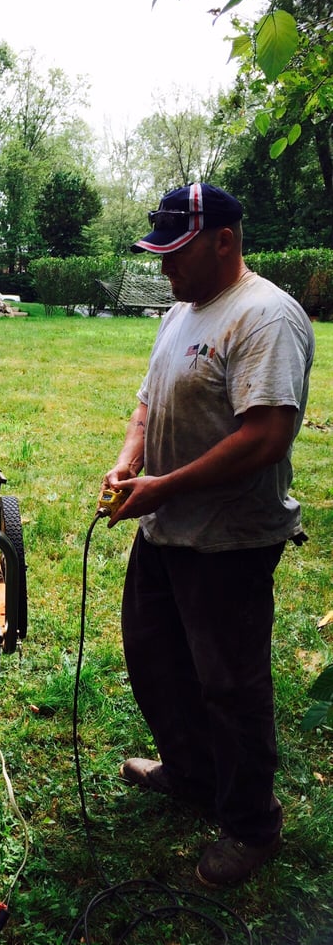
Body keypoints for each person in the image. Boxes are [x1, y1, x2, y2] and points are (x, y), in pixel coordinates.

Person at [103, 182, 315, 887]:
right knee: (155, 660)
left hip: (229, 541)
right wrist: (131, 459)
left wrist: (163, 486)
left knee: (230, 686)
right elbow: (145, 401)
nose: (165, 266)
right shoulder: (182, 310)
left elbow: (265, 437)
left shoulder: (265, 316)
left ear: (224, 240)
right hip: (165, 530)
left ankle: (252, 825)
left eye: (176, 251)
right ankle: (192, 775)